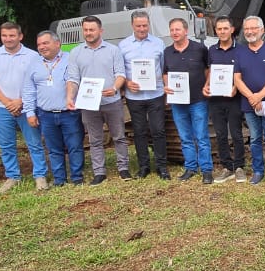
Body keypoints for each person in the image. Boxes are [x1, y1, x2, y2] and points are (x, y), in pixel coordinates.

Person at [0, 22, 49, 192]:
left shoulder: (33, 56)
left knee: (34, 143)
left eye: (12, 35)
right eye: (4, 35)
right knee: (6, 145)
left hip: (26, 107)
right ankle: (13, 176)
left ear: (20, 36)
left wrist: (21, 101)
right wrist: (7, 102)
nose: (8, 39)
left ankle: (40, 176)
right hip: (0, 107)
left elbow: (38, 82)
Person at [64, 15, 128, 185]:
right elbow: (73, 79)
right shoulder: (76, 52)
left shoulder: (113, 50)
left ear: (101, 30)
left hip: (112, 101)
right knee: (95, 140)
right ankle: (99, 172)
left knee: (119, 136)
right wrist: (70, 97)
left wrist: (114, 88)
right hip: (88, 104)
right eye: (85, 30)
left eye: (92, 30)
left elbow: (120, 74)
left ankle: (123, 168)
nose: (88, 33)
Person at [23, 31, 85, 187]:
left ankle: (77, 177)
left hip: (69, 113)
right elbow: (29, 90)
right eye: (39, 44)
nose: (42, 47)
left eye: (45, 43)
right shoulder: (34, 64)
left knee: (75, 146)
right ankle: (59, 179)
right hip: (46, 114)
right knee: (53, 149)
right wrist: (30, 112)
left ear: (57, 44)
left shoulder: (70, 59)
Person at [233, 16, 265, 187]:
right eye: (247, 29)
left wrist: (260, 96)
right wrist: (251, 97)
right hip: (249, 104)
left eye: (253, 28)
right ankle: (258, 171)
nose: (249, 32)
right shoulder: (240, 52)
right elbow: (237, 79)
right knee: (255, 138)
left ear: (262, 30)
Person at [162, 17, 214, 183]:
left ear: (186, 31)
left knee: (201, 136)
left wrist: (207, 84)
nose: (174, 33)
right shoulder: (167, 52)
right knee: (185, 137)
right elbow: (165, 73)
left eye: (177, 29)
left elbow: (208, 69)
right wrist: (166, 85)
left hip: (198, 100)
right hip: (178, 102)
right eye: (172, 30)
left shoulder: (199, 49)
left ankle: (206, 170)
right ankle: (190, 167)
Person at [120, 10, 170, 179]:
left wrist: (164, 85)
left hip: (156, 94)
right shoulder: (123, 45)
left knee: (158, 130)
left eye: (145, 25)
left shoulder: (158, 43)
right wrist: (127, 83)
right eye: (138, 26)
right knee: (139, 131)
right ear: (132, 25)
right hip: (134, 96)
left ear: (149, 24)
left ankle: (162, 166)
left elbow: (163, 68)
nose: (142, 29)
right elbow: (119, 71)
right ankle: (144, 167)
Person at [205, 15, 246, 182]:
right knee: (221, 134)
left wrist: (236, 87)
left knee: (236, 133)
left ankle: (240, 167)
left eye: (225, 28)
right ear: (216, 31)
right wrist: (206, 85)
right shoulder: (212, 50)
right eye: (219, 29)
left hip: (234, 98)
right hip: (216, 99)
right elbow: (210, 71)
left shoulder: (241, 50)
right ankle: (227, 167)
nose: (222, 32)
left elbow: (244, 73)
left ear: (232, 30)